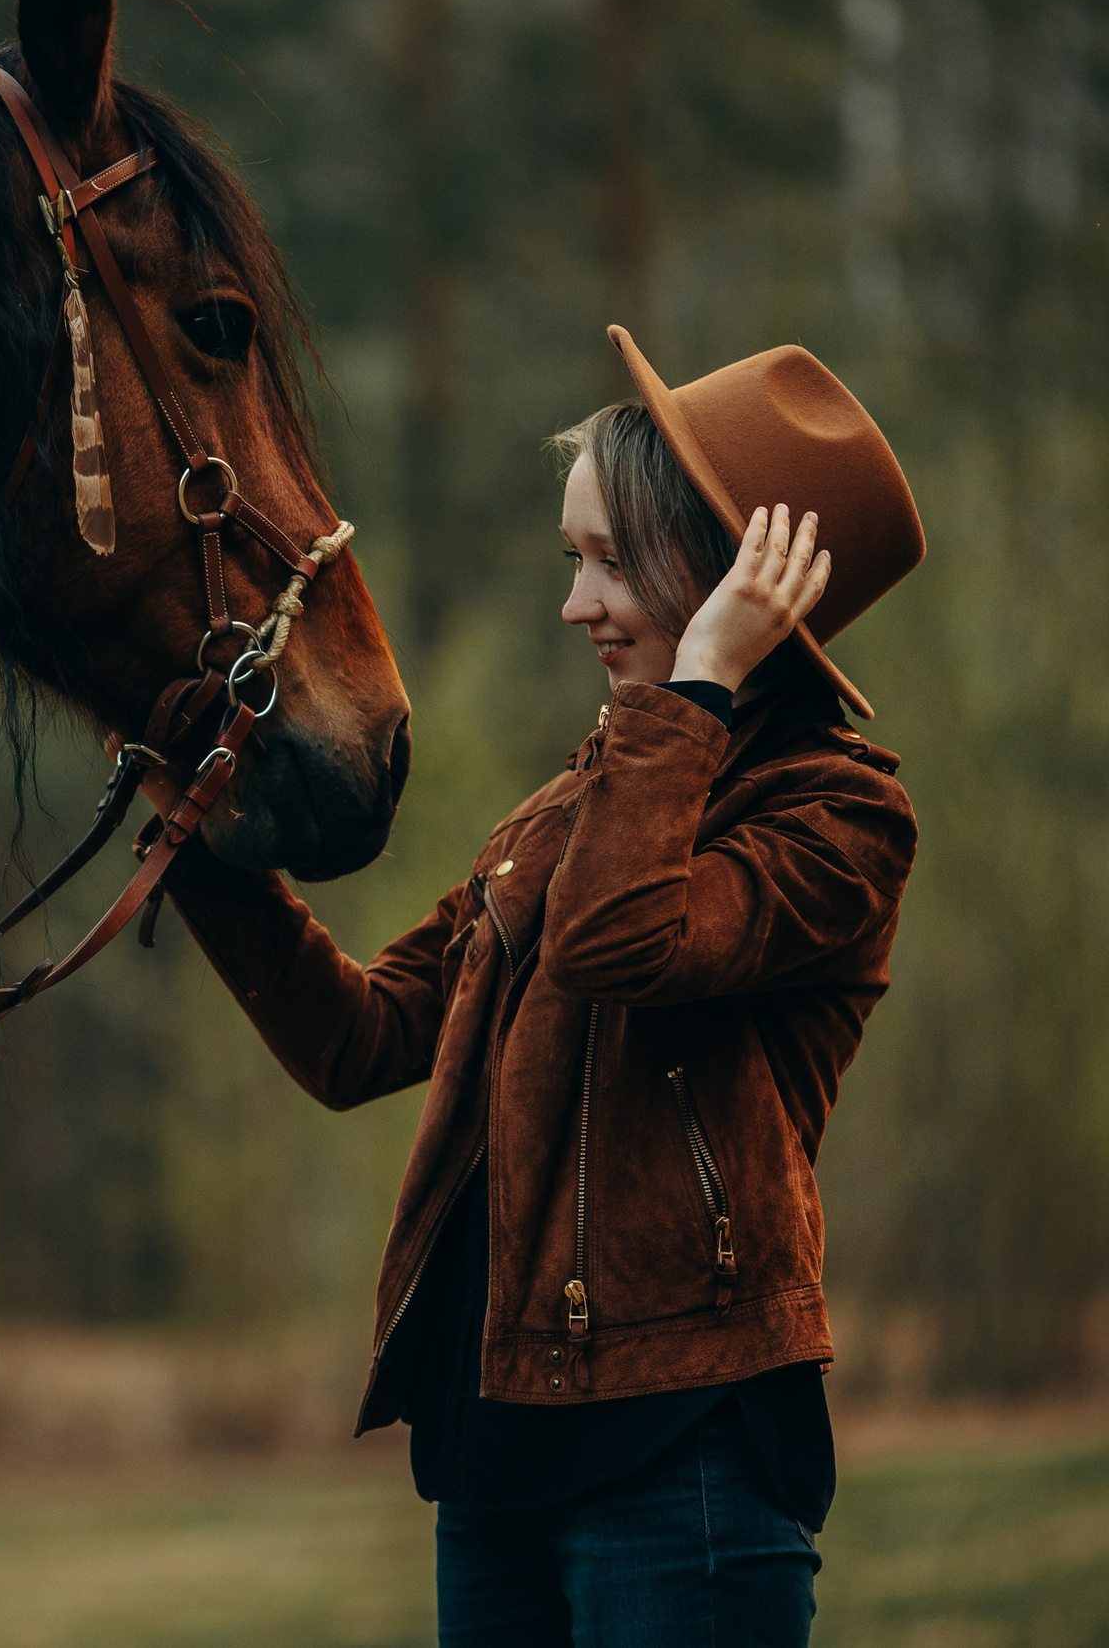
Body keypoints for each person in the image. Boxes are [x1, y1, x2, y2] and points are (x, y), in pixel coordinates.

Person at [160, 325, 925, 1645]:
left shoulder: (837, 820)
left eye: (609, 561)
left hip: (680, 1455)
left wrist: (697, 692)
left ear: (736, 579)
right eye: (577, 559)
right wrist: (198, 841)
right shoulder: (563, 817)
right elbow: (355, 1040)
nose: (576, 605)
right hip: (494, 1447)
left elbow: (622, 946)